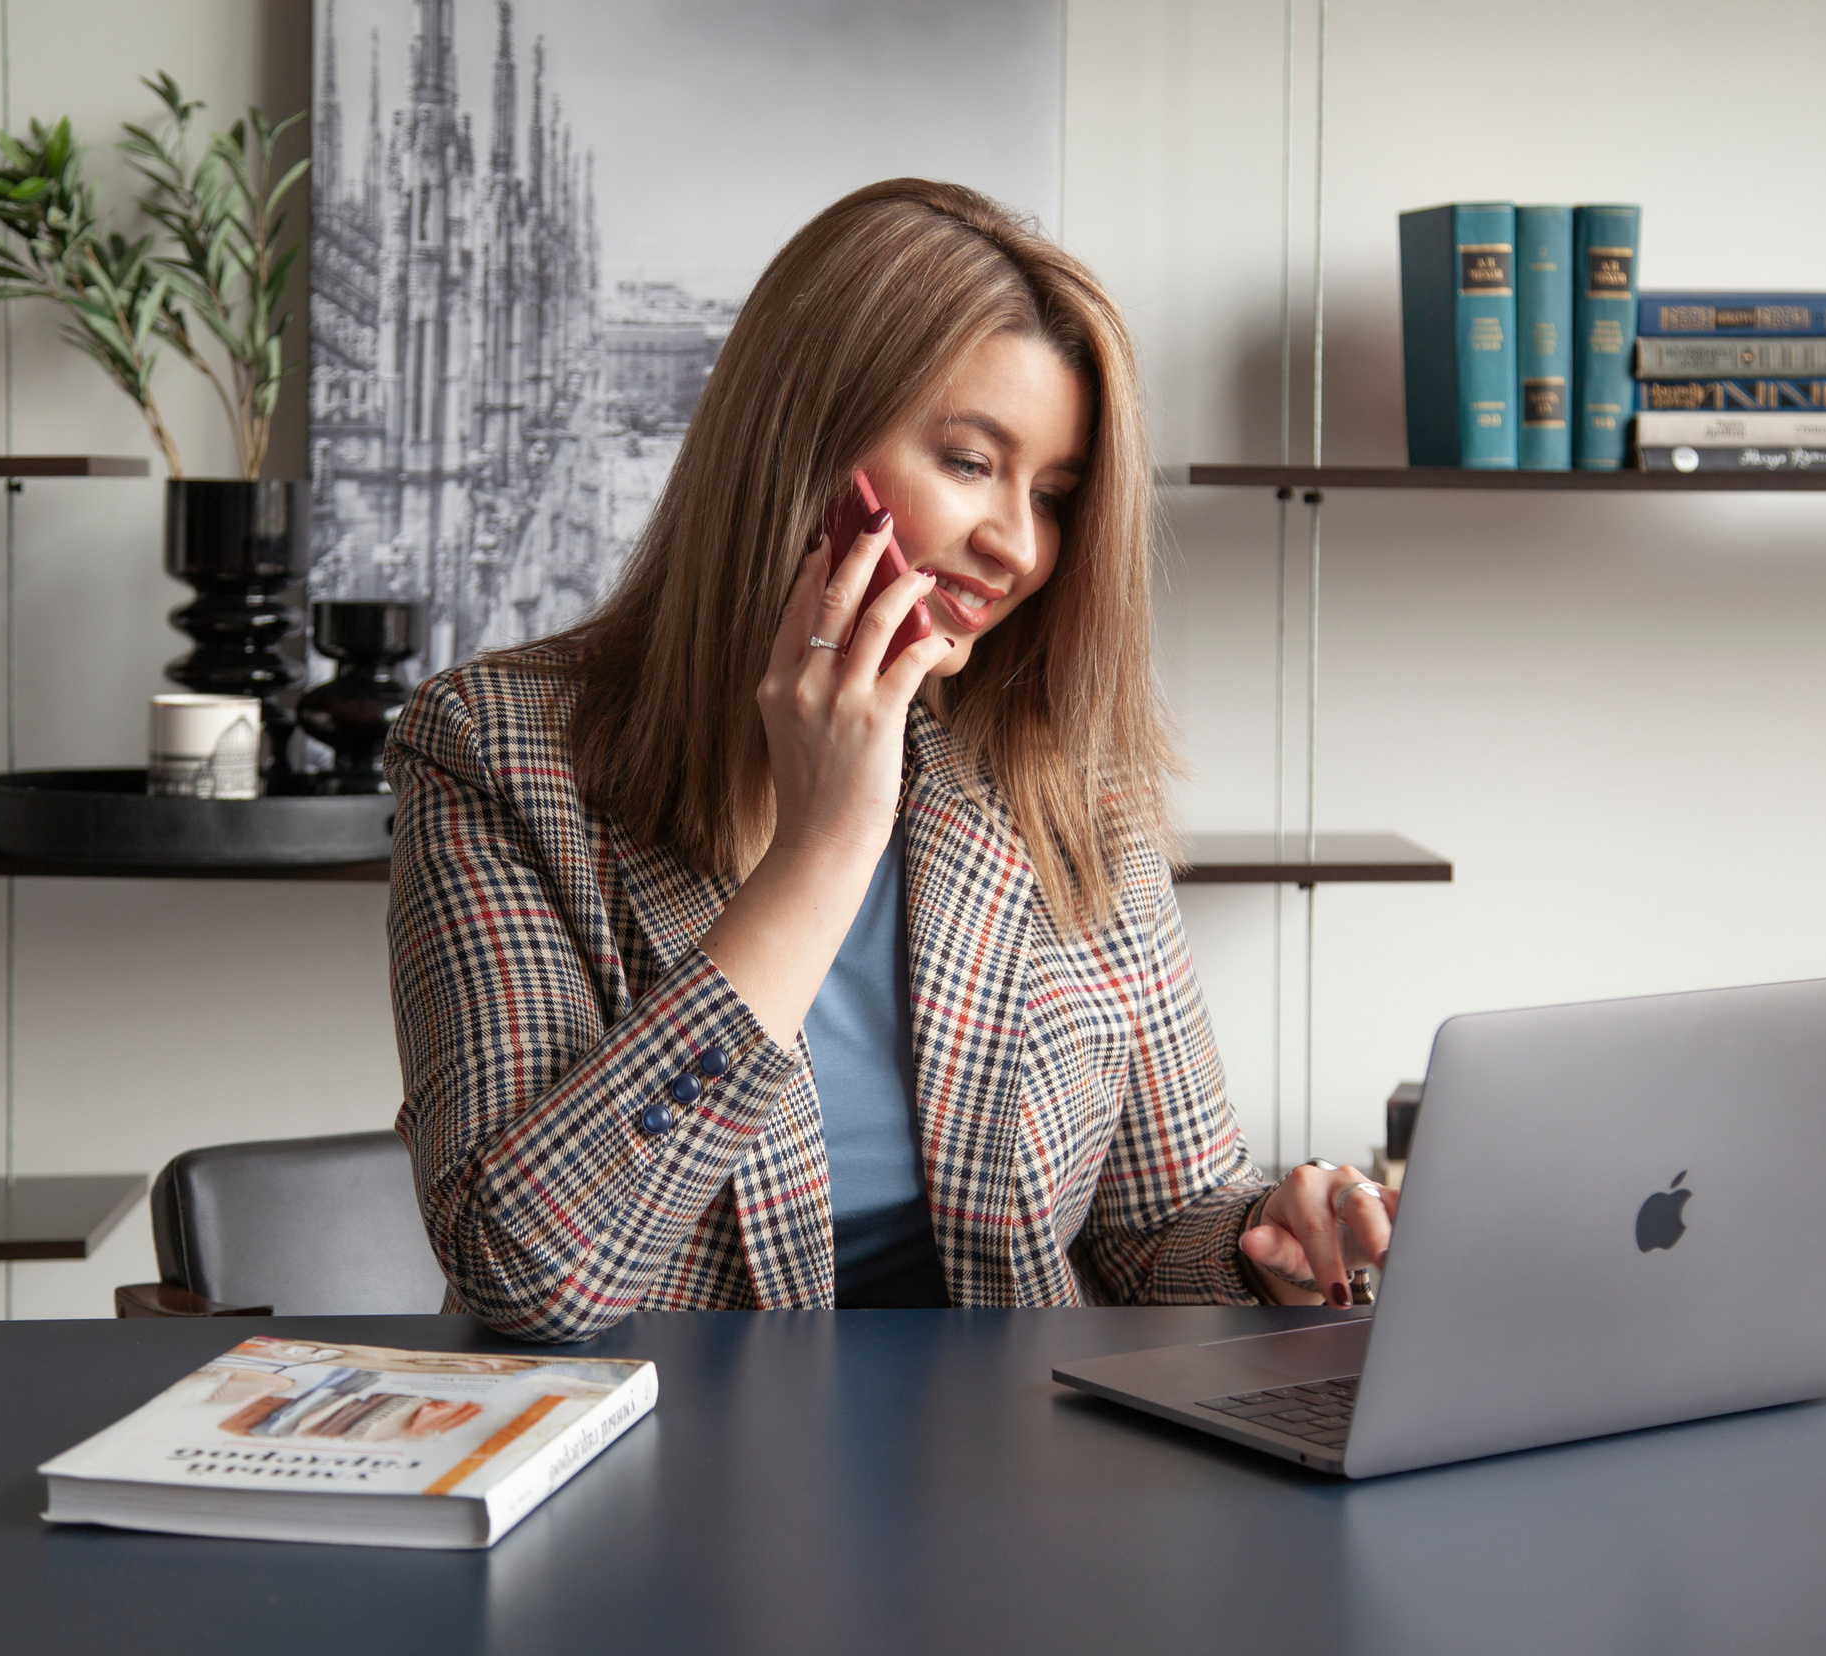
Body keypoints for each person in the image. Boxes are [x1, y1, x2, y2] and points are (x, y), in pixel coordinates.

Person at [384, 179, 1394, 1343]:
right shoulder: (494, 751)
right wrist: (822, 848)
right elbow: (532, 1274)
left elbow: (1155, 1221)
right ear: (804, 443)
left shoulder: (1062, 775)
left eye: (1055, 495)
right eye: (969, 463)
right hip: (662, 1477)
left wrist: (1264, 1245)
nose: (1017, 545)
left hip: (1018, 1476)